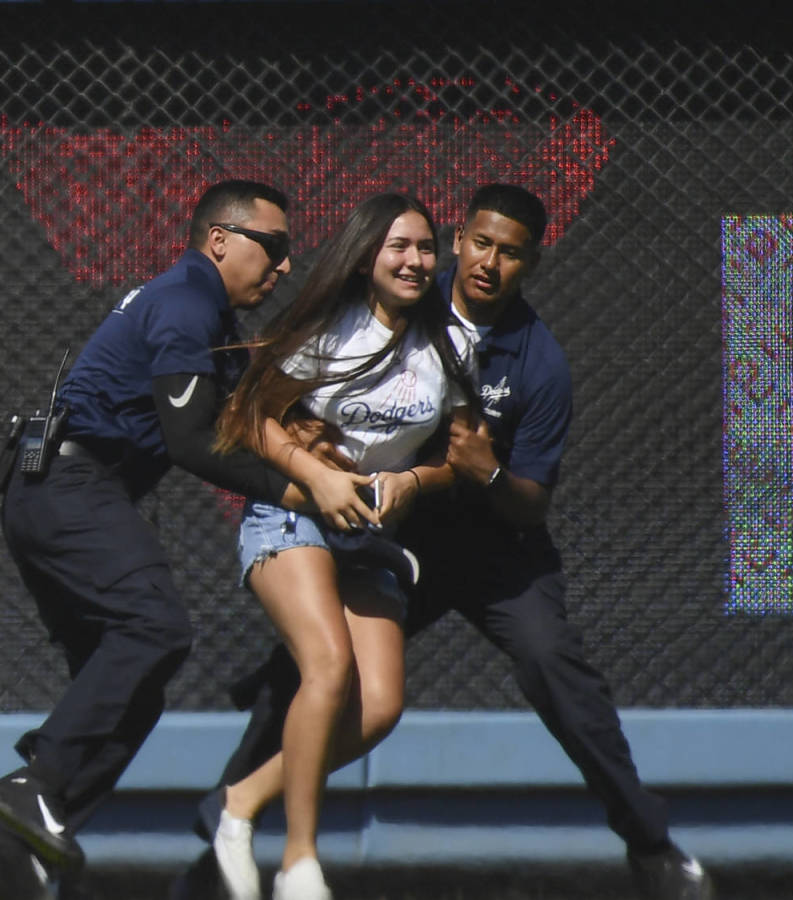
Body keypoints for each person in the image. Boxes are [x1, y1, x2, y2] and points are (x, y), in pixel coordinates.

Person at [173, 184, 712, 900]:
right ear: (459, 242)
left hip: (492, 550)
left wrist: (477, 473)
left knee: (551, 667)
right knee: (309, 675)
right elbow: (272, 400)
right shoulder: (386, 310)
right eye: (477, 244)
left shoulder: (534, 360)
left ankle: (651, 847)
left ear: (531, 262)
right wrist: (309, 444)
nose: (486, 262)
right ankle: (222, 841)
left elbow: (528, 500)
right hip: (388, 534)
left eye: (510, 253)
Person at [0, 181, 380, 900]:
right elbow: (191, 442)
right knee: (153, 628)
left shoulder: (206, 315)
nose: (283, 266)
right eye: (273, 247)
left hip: (52, 495)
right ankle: (39, 783)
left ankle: (14, 854)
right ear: (219, 239)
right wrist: (301, 490)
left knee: (135, 688)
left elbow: (257, 419)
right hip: (69, 490)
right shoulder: (187, 300)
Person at [201, 194, 478, 900]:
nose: (415, 261)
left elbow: (463, 457)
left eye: (424, 247)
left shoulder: (451, 344)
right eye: (398, 247)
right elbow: (247, 417)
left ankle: (237, 805)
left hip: (369, 538)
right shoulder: (330, 334)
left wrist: (416, 479)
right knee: (327, 667)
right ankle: (300, 861)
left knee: (379, 706)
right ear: (365, 256)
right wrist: (315, 473)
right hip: (293, 518)